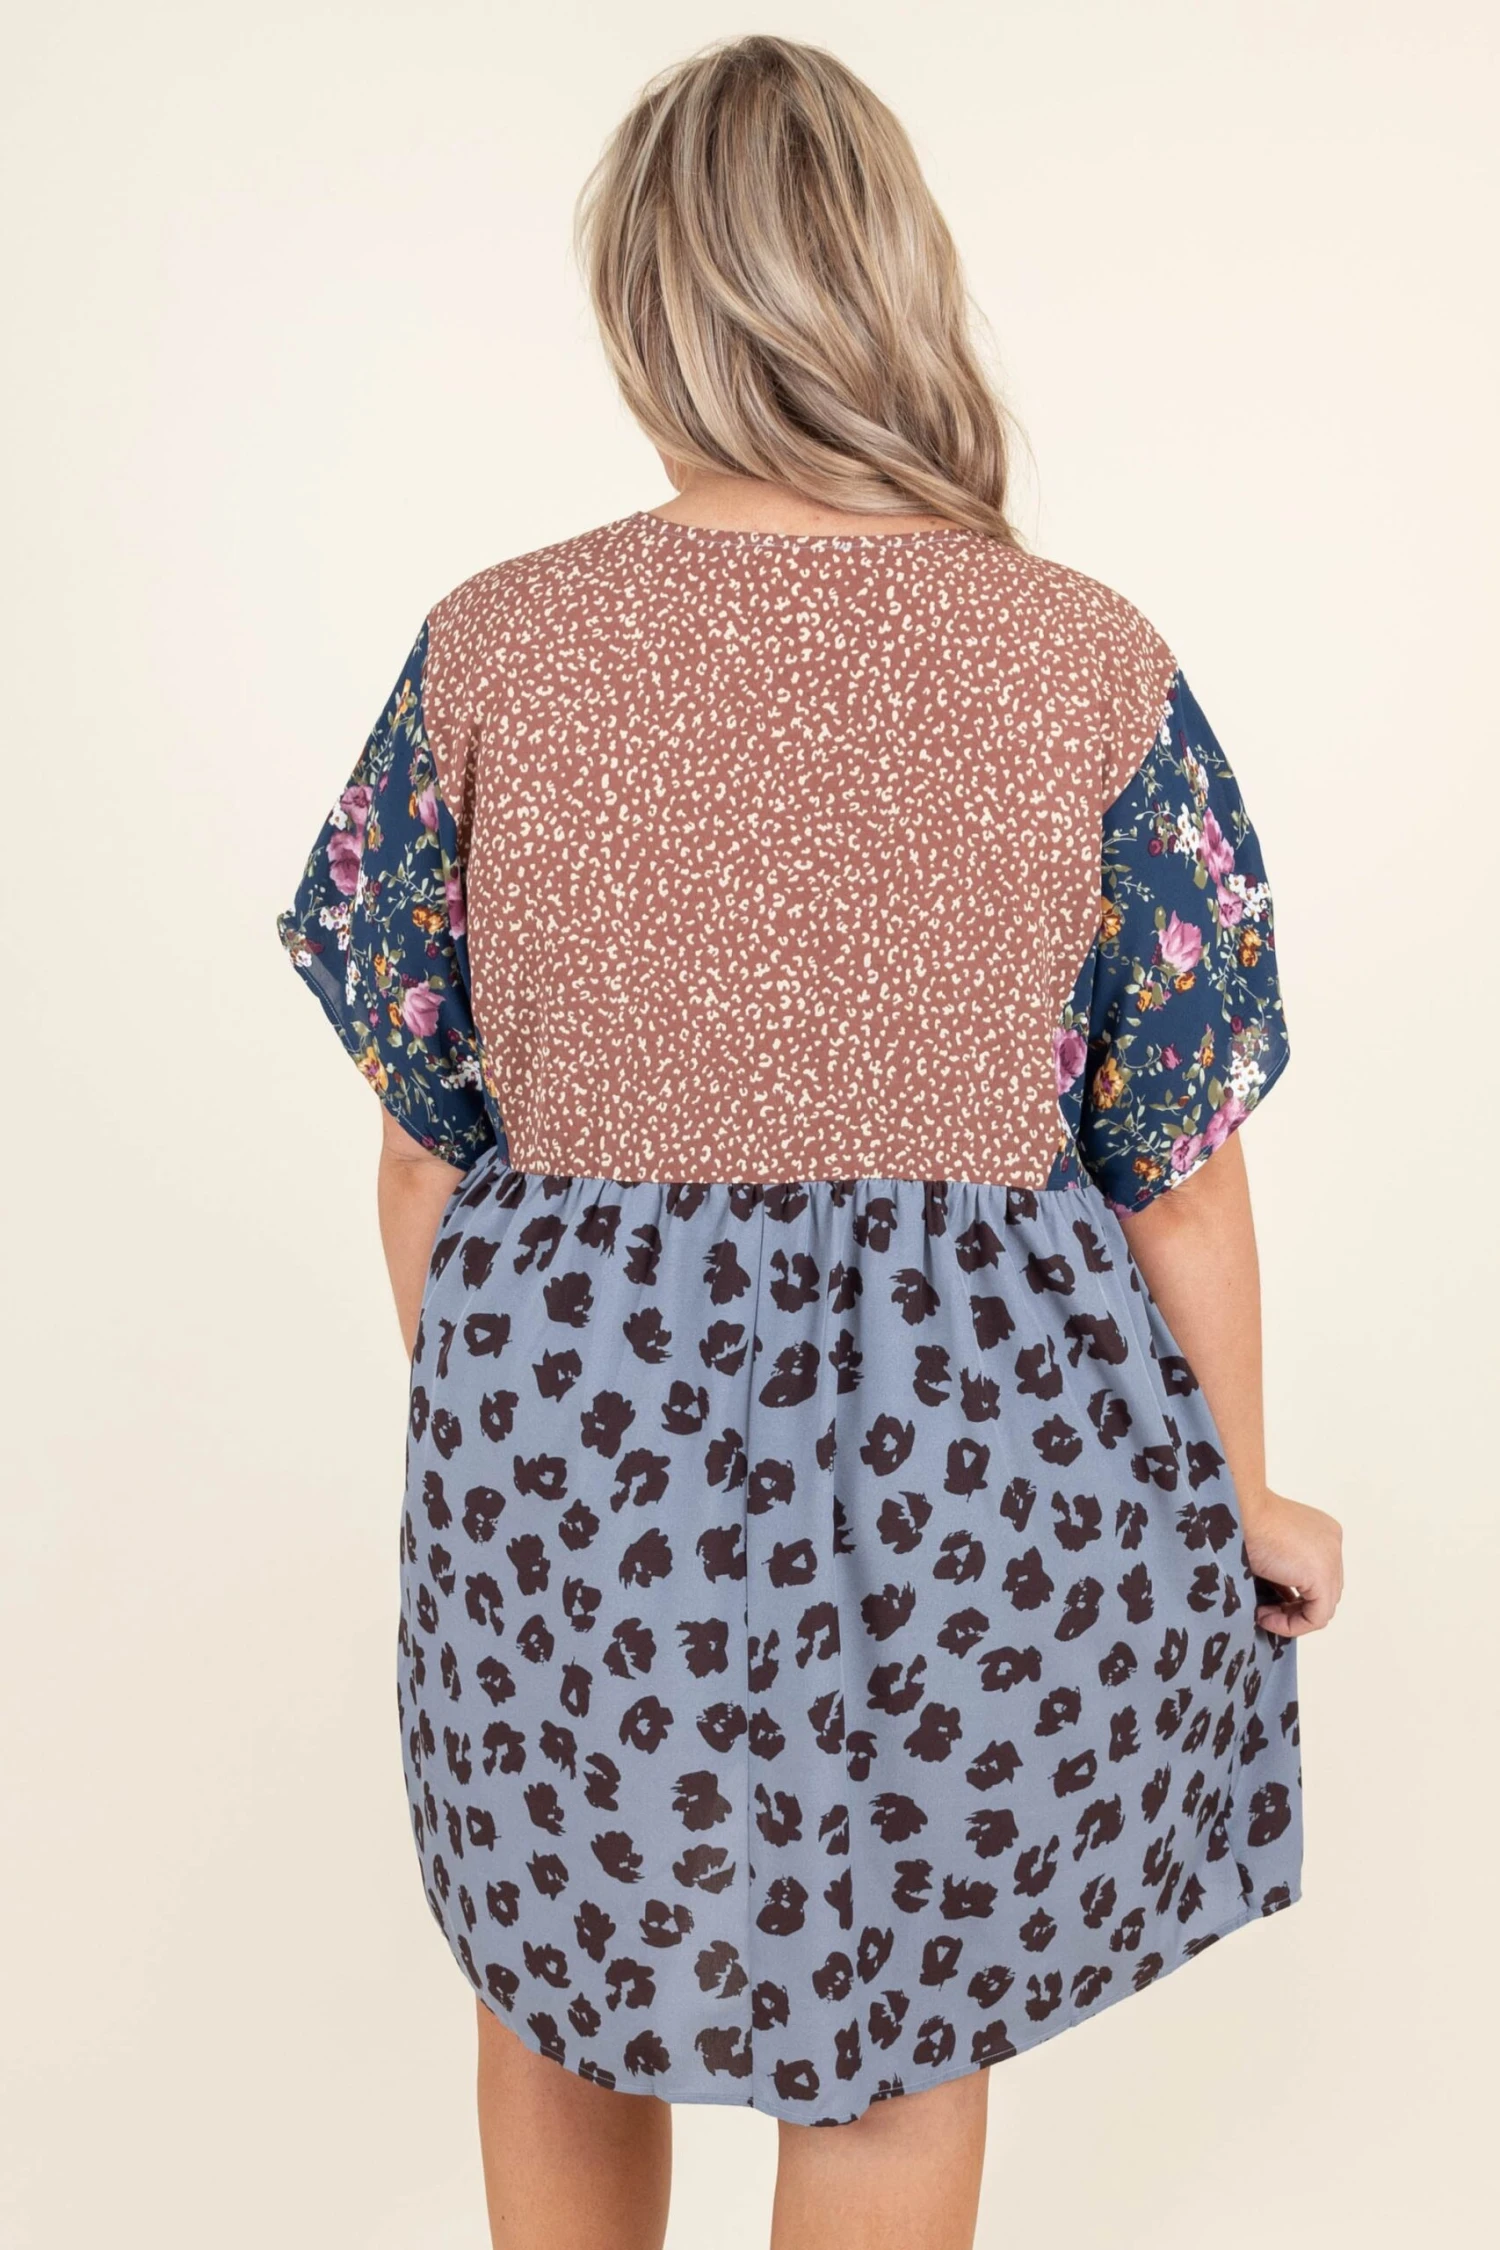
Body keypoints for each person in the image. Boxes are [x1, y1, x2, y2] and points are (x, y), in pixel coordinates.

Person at [274, 33, 1343, 2250]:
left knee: (562, 1989)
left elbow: (421, 1147)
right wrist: (1237, 1494)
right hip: (977, 1479)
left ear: (644, 305)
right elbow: (1178, 1163)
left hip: (563, 1462)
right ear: (892, 279)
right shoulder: (1081, 658)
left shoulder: (495, 644)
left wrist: (514, 1445)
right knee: (893, 2033)